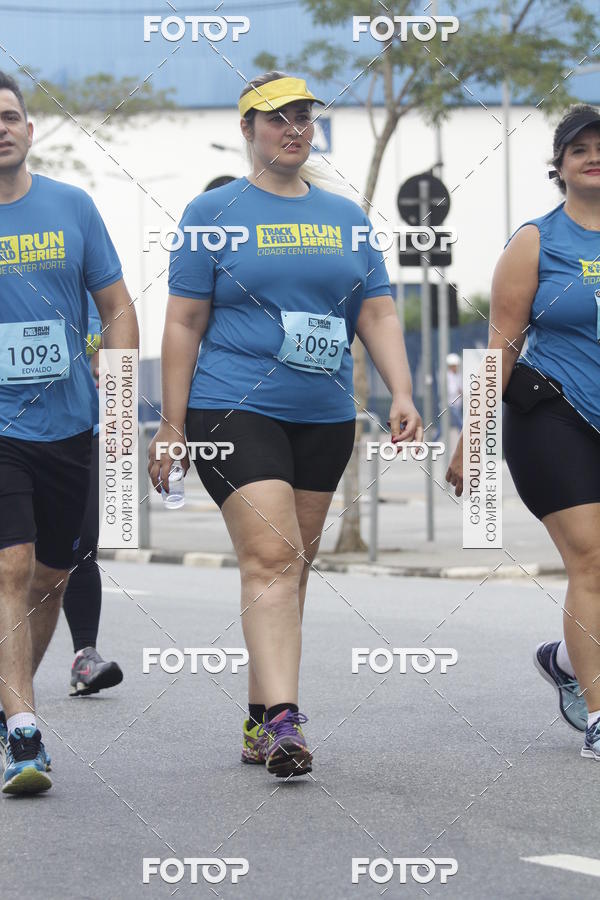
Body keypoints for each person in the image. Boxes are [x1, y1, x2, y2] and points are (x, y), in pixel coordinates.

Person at [148, 72, 422, 778]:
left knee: (293, 566)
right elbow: (183, 321)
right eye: (276, 119)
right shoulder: (214, 212)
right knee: (271, 559)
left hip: (325, 414)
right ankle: (283, 721)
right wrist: (171, 425)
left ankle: (257, 714)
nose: (293, 129)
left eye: (303, 117)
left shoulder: (345, 216)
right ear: (247, 130)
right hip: (234, 405)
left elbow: (378, 310)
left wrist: (403, 392)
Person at [446, 104, 600, 759]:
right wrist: (470, 438)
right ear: (560, 166)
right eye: (580, 148)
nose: (594, 155)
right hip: (552, 416)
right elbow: (501, 342)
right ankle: (598, 715)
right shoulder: (538, 240)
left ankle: (567, 660)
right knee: (593, 559)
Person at [0, 71, 138, 794]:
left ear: (29, 128)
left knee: (52, 577)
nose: (2, 127)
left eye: (11, 115)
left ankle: (8, 702)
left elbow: (116, 306)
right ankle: (25, 731)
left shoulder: (71, 207)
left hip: (68, 423)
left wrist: (119, 405)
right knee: (11, 566)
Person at [62, 298, 123, 697]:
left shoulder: (96, 297)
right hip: (15, 431)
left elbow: (116, 355)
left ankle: (85, 656)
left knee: (82, 546)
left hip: (85, 430)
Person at [446, 352, 463, 431]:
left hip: (457, 403)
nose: (455, 367)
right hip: (450, 404)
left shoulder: (458, 375)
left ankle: (434, 439)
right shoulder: (447, 376)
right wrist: (458, 390)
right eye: (453, 366)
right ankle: (465, 439)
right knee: (460, 424)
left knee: (443, 426)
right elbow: (449, 390)